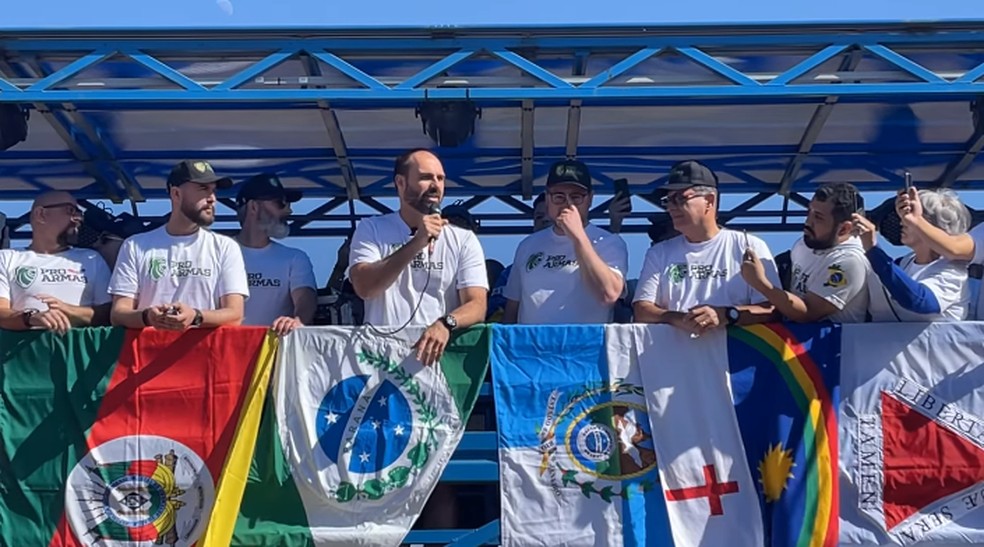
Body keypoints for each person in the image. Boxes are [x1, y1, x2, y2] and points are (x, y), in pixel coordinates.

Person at [347, 148, 488, 365]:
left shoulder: (464, 239)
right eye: (425, 177)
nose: (435, 185)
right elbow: (365, 287)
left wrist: (446, 323)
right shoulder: (371, 228)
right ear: (400, 183)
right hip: (381, 360)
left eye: (440, 178)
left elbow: (477, 304)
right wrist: (416, 243)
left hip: (437, 360)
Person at [632, 161, 778, 335]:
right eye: (667, 200)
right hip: (672, 358)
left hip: (734, 357)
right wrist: (678, 319)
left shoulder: (749, 246)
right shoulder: (659, 252)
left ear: (709, 201)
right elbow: (642, 309)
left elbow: (772, 309)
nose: (671, 207)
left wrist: (725, 315)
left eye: (680, 198)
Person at [108, 160, 249, 330]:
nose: (212, 198)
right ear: (176, 194)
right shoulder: (135, 245)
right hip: (150, 353)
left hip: (203, 354)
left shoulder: (225, 247)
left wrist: (196, 316)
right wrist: (147, 316)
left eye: (213, 191)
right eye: (203, 189)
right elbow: (118, 313)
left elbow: (235, 315)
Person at [502, 159, 628, 324]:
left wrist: (578, 235)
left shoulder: (609, 242)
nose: (568, 204)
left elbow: (609, 293)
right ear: (547, 199)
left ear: (590, 199)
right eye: (559, 197)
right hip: (531, 347)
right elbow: (512, 309)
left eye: (576, 197)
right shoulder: (527, 245)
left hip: (585, 347)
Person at [743, 181, 870, 323]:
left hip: (835, 343)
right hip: (793, 340)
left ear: (844, 229)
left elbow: (807, 313)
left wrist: (761, 283)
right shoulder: (806, 244)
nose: (808, 222)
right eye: (809, 212)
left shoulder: (849, 261)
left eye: (818, 217)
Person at [0, 192, 112, 334]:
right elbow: (1, 312)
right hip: (25, 353)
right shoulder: (7, 258)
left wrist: (70, 310)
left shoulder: (92, 259)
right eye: (70, 210)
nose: (78, 218)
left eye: (79, 212)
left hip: (78, 353)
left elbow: (109, 314)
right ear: (41, 214)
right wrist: (31, 318)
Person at [853, 189, 969, 322]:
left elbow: (920, 301)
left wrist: (873, 249)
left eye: (913, 217)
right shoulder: (902, 263)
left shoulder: (953, 270)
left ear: (933, 226)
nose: (902, 222)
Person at [234, 173, 317, 335]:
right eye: (280, 203)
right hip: (227, 351)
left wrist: (298, 320)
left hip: (274, 353)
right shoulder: (217, 253)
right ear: (253, 207)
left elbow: (305, 297)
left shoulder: (294, 258)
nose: (289, 210)